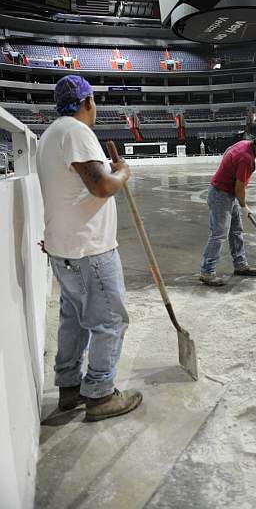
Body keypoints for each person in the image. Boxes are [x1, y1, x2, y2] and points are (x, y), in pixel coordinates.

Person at [36, 75, 142, 421]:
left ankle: (69, 388)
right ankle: (99, 395)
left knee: (74, 320)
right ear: (87, 102)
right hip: (89, 250)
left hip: (63, 249)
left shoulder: (50, 135)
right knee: (109, 321)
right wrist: (123, 171)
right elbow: (101, 186)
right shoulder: (76, 131)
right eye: (93, 101)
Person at [200, 132, 256, 286]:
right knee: (219, 234)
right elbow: (240, 186)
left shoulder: (244, 144)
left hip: (227, 193)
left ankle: (240, 264)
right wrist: (244, 205)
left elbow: (228, 151)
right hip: (220, 195)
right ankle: (207, 271)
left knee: (236, 230)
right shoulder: (247, 159)